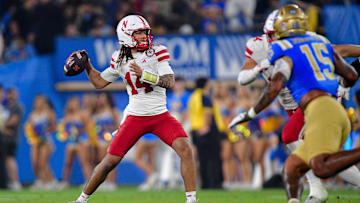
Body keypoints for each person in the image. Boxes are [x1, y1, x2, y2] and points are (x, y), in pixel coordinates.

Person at [229, 4, 360, 203]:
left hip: (317, 100)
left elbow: (338, 52)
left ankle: (316, 191)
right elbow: (243, 77)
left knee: (291, 138)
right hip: (294, 104)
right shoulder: (260, 46)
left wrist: (251, 113)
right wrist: (259, 67)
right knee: (324, 158)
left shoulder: (296, 43)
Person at [70, 15, 197, 203]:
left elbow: (169, 82)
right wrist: (88, 66)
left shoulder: (158, 52)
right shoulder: (119, 58)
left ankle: (191, 200)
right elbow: (99, 82)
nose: (145, 36)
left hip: (160, 115)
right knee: (109, 162)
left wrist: (145, 75)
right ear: (127, 36)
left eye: (145, 32)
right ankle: (81, 200)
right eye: (139, 33)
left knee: (185, 149)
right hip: (135, 117)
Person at [188, 77, 224, 189]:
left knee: (202, 159)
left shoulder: (193, 97)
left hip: (196, 130)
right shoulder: (204, 96)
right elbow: (207, 112)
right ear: (205, 85)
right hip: (207, 131)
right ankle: (215, 184)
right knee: (213, 158)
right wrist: (207, 126)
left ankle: (205, 184)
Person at [58, 96, 92, 189]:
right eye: (71, 103)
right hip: (71, 141)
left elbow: (88, 127)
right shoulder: (67, 115)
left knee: (84, 162)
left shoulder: (82, 114)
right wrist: (64, 134)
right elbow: (62, 130)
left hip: (81, 141)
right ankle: (65, 182)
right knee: (68, 162)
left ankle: (89, 182)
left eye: (75, 103)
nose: (73, 105)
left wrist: (83, 136)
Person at [25, 95, 57, 190]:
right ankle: (39, 181)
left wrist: (44, 131)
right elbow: (29, 128)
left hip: (46, 140)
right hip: (35, 141)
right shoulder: (32, 114)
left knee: (43, 162)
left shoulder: (49, 113)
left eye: (41, 101)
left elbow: (54, 127)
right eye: (37, 101)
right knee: (35, 161)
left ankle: (51, 181)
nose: (39, 103)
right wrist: (33, 135)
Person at [3, 87, 24, 190]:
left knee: (10, 158)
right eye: (9, 94)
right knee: (6, 159)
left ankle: (15, 182)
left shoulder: (17, 106)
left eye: (12, 94)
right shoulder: (6, 106)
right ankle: (11, 181)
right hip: (4, 137)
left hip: (11, 138)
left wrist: (2, 125)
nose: (10, 96)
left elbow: (14, 121)